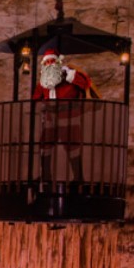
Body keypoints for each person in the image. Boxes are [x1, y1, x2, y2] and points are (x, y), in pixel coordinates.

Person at [32, 51, 98, 184]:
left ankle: (78, 178)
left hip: (68, 115)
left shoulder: (69, 75)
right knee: (45, 144)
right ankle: (45, 177)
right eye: (47, 62)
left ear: (58, 62)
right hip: (50, 116)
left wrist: (71, 76)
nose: (50, 64)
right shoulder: (43, 82)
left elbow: (86, 83)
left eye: (52, 61)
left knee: (72, 145)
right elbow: (35, 98)